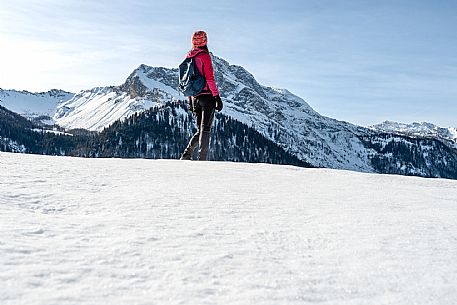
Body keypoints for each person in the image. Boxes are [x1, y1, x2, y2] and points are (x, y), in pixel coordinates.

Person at [180, 31, 223, 161]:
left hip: (194, 97)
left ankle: (186, 155)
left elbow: (186, 82)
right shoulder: (204, 56)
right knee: (206, 130)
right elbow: (209, 78)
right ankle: (202, 160)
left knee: (200, 130)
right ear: (205, 41)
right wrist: (217, 97)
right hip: (207, 96)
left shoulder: (188, 57)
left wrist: (190, 100)